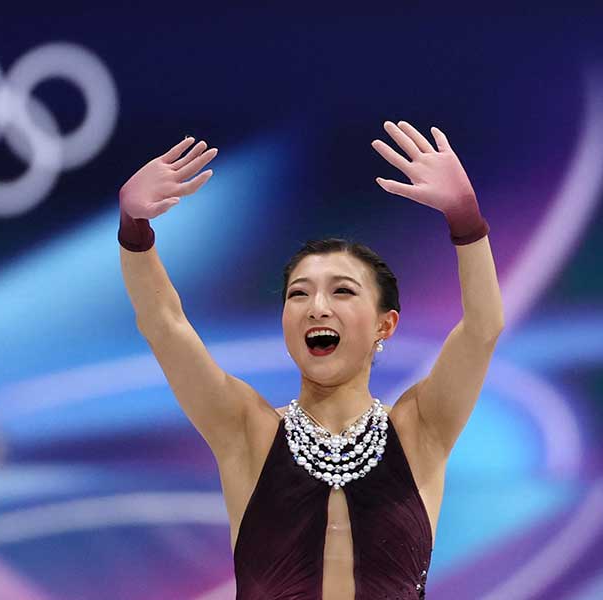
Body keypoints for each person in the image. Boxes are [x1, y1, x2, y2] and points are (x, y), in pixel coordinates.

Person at [118, 122, 504, 599]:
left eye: (342, 290)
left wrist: (467, 221)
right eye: (299, 294)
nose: (317, 307)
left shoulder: (420, 429)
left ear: (385, 325)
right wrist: (134, 231)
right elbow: (164, 325)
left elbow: (483, 329)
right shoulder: (246, 431)